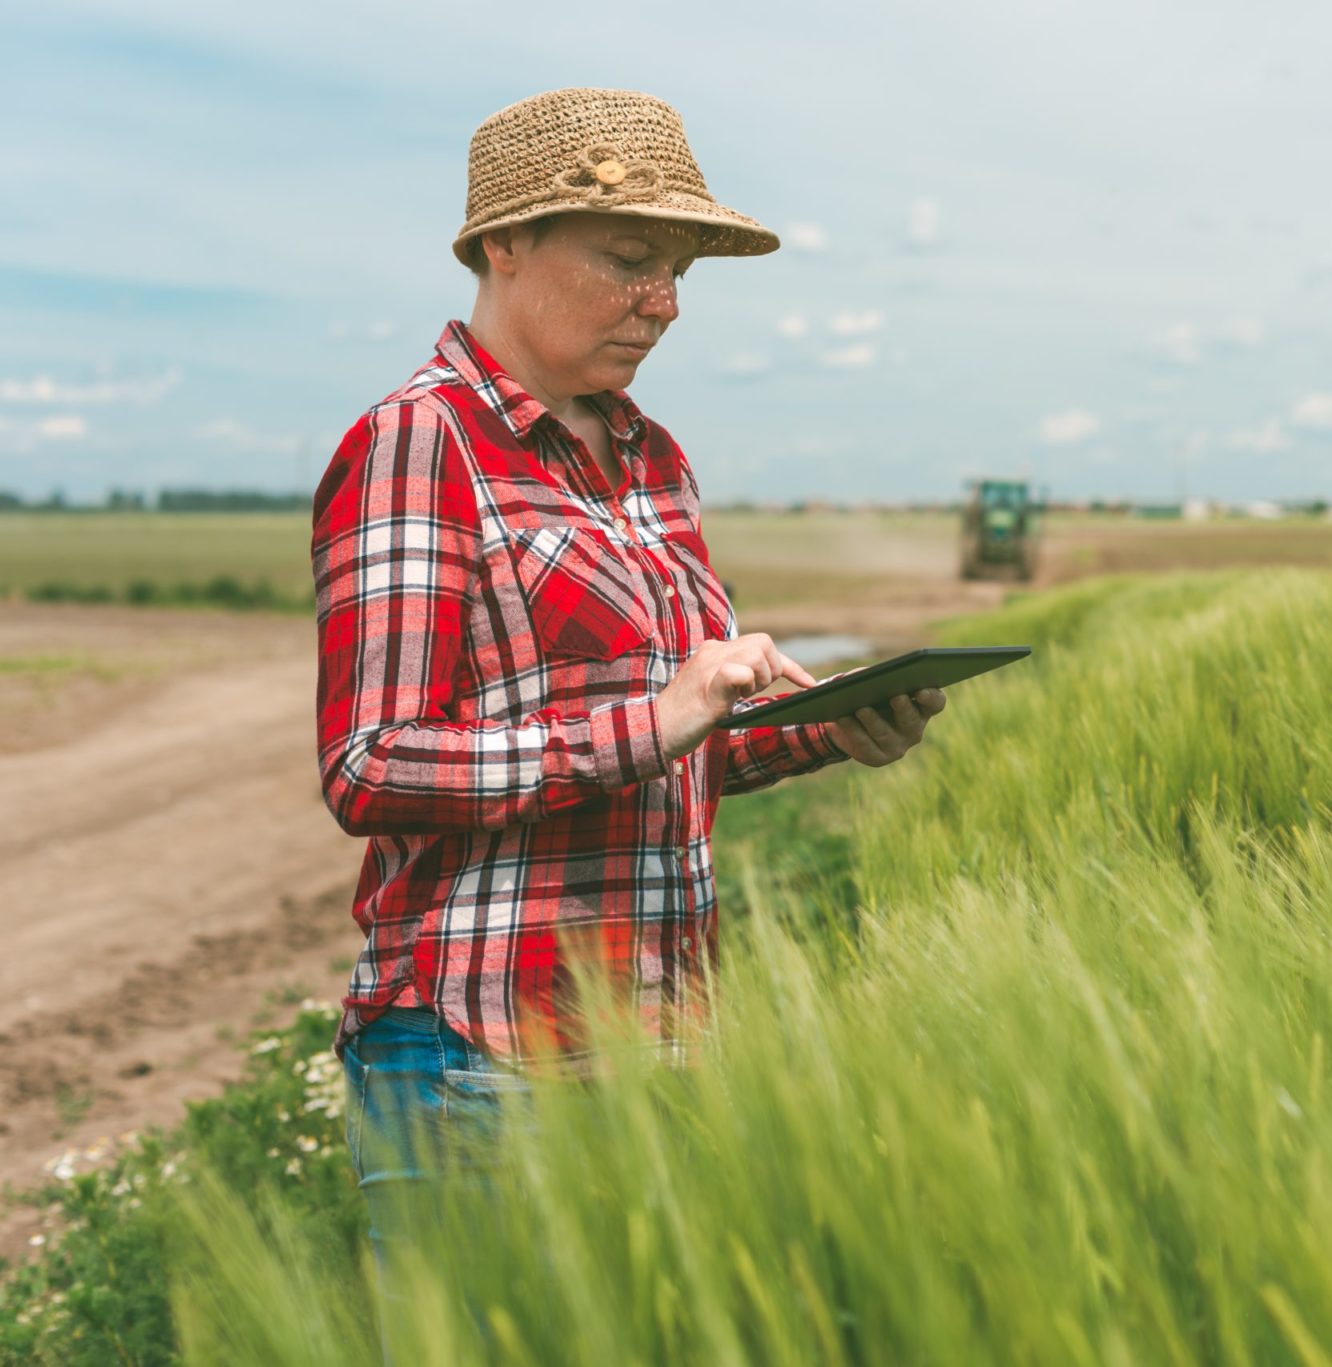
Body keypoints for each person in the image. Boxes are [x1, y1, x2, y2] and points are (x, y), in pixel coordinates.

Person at [309, 86, 945, 1331]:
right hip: (481, 1063)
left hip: (662, 1042)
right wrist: (645, 725)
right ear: (505, 243)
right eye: (630, 261)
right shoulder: (416, 444)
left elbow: (676, 744)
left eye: (678, 272)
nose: (663, 301)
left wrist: (826, 726)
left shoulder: (652, 459)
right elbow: (369, 764)